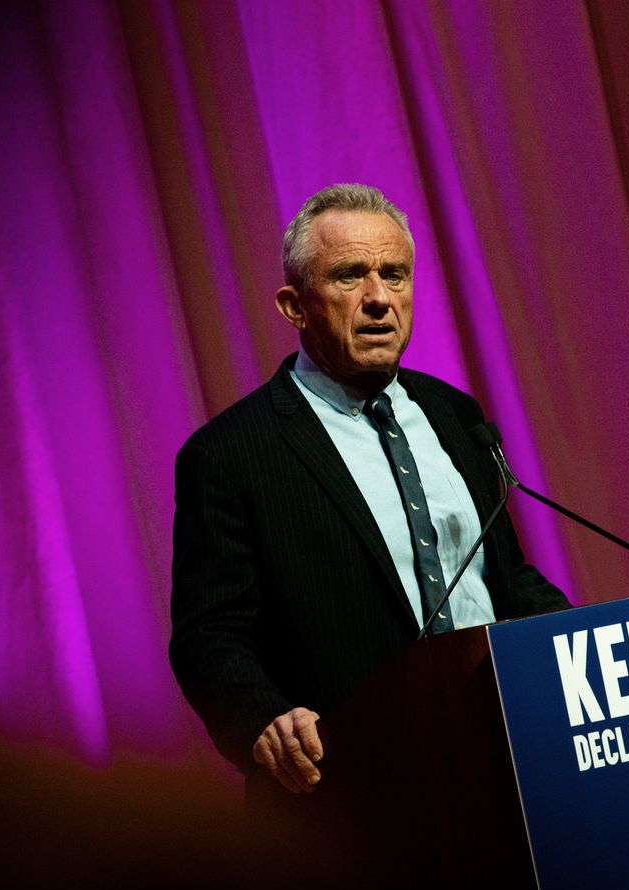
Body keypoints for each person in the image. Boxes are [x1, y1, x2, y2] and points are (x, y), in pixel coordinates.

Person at [169, 183, 571, 799]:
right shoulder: (231, 453)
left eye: (395, 275)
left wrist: (584, 644)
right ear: (294, 306)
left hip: (504, 759)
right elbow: (211, 635)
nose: (379, 298)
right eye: (349, 276)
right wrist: (264, 721)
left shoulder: (455, 414)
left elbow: (504, 578)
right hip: (354, 786)